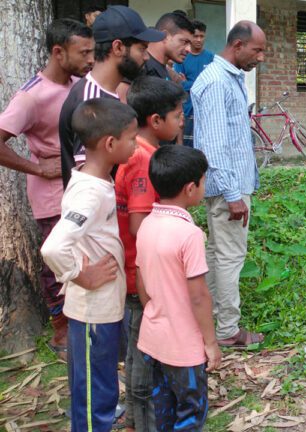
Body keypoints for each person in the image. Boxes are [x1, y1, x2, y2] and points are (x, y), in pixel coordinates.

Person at [41, 98, 138, 432]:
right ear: (110, 144)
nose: (135, 145)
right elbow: (53, 246)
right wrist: (81, 275)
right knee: (95, 394)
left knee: (100, 386)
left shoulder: (91, 177)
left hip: (103, 308)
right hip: (92, 311)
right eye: (131, 138)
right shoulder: (91, 193)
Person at [0, 19, 93, 359]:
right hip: (52, 195)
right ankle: (60, 331)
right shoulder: (31, 96)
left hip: (81, 186)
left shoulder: (79, 84)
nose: (90, 59)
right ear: (58, 52)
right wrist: (38, 167)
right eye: (83, 52)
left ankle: (83, 322)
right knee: (56, 261)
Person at [136, 145, 222, 431]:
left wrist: (156, 310)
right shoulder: (189, 235)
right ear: (189, 188)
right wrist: (210, 342)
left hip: (154, 340)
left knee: (164, 410)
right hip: (184, 347)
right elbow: (198, 296)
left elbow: (141, 281)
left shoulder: (147, 224)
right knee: (191, 412)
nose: (204, 185)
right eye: (203, 180)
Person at [118, 76, 186, 432]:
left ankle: (133, 420)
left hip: (134, 272)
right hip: (140, 276)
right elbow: (139, 226)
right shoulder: (145, 161)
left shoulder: (138, 152)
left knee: (135, 352)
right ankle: (143, 423)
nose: (183, 121)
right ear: (156, 121)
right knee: (143, 357)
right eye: (178, 115)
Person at [192, 21, 266, 347]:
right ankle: (227, 331)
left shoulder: (229, 78)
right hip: (228, 189)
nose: (261, 57)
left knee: (217, 254)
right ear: (237, 45)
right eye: (257, 50)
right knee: (229, 256)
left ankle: (203, 319)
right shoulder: (216, 82)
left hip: (231, 185)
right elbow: (213, 146)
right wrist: (233, 194)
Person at [59, 5, 164, 188]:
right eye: (142, 49)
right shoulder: (90, 101)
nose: (146, 57)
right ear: (118, 47)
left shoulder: (106, 94)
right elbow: (89, 182)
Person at [174, 19, 214, 147]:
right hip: (187, 108)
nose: (198, 40)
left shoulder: (211, 58)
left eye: (201, 36)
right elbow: (179, 84)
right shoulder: (182, 57)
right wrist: (201, 84)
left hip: (206, 109)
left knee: (203, 145)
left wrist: (189, 83)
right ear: (190, 37)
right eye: (195, 36)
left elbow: (213, 84)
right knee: (187, 145)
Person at [144, 12, 194, 80]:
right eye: (185, 42)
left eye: (190, 44)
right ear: (165, 36)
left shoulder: (168, 73)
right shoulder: (141, 69)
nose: (189, 50)